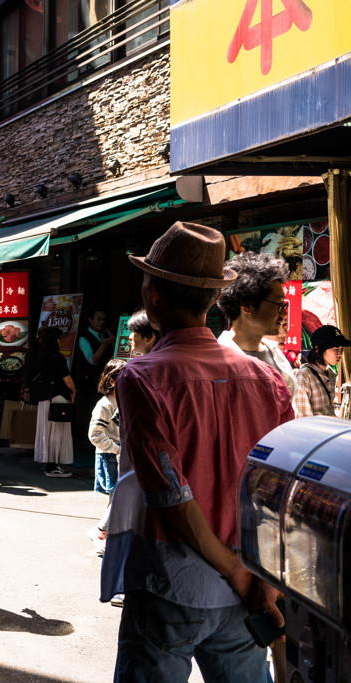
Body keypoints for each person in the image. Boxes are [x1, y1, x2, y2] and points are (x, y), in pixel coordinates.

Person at [106, 222, 292, 681]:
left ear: (154, 296)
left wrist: (239, 572)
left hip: (175, 582)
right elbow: (283, 488)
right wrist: (257, 578)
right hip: (248, 582)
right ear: (213, 299)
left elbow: (171, 495)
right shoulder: (267, 379)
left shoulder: (142, 377)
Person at [216, 251, 296, 395]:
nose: (283, 313)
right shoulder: (218, 362)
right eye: (278, 304)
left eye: (284, 305)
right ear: (246, 305)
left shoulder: (275, 353)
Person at [21, 326, 76, 477]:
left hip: (43, 398)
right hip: (57, 397)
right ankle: (52, 466)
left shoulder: (34, 354)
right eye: (59, 338)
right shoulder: (56, 357)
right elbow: (67, 379)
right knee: (57, 433)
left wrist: (26, 391)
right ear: (55, 340)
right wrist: (74, 391)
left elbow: (26, 374)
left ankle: (48, 463)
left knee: (46, 431)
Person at [86, 359, 126, 556]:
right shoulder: (105, 404)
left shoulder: (123, 401)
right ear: (111, 381)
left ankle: (108, 534)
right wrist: (117, 449)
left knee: (118, 496)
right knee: (118, 495)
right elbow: (95, 434)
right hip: (110, 456)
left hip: (119, 454)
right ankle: (101, 531)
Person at [293, 325, 350, 418]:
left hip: (330, 427)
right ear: (318, 349)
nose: (340, 354)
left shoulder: (331, 373)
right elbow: (303, 416)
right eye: (335, 349)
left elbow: (329, 409)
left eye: (341, 349)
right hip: (316, 430)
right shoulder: (304, 375)